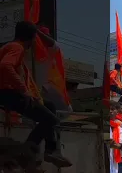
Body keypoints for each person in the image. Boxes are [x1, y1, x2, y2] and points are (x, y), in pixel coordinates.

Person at [0, 21, 71, 167]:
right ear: (31, 38)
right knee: (52, 120)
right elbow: (5, 66)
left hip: (8, 95)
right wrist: (24, 91)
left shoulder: (8, 47)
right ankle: (29, 150)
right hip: (12, 94)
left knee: (49, 107)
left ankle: (47, 151)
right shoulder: (17, 48)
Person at [24, 25, 73, 112]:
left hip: (52, 91)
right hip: (34, 93)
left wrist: (37, 32)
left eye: (46, 36)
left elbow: (53, 44)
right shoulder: (27, 53)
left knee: (64, 112)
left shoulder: (51, 51)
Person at [109, 100, 122, 173]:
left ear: (117, 112)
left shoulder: (118, 128)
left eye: (112, 109)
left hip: (118, 160)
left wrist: (117, 145)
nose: (110, 111)